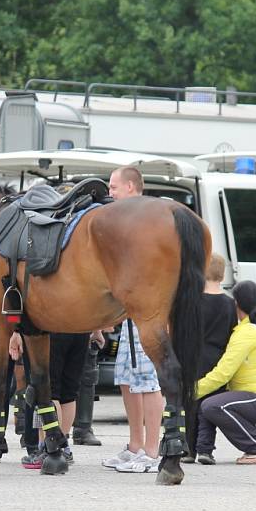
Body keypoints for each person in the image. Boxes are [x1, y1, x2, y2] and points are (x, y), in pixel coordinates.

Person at [102, 167, 163, 474]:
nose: (109, 192)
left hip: (149, 312)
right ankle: (135, 445)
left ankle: (153, 451)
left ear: (129, 186)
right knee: (128, 379)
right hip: (129, 313)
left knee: (148, 381)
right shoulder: (124, 220)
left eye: (113, 187)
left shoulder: (147, 218)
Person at [195, 280, 256, 464]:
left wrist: (191, 390)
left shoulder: (246, 333)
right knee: (210, 402)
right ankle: (203, 451)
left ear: (236, 304)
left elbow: (223, 373)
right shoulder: (254, 328)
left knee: (213, 406)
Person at [13, 330, 105, 468]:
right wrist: (97, 330)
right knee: (69, 394)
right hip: (81, 331)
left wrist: (17, 331)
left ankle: (49, 447)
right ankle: (64, 448)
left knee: (48, 392)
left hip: (51, 330)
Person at [182, 253, 237, 465]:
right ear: (222, 276)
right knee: (209, 406)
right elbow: (233, 334)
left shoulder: (192, 302)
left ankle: (188, 450)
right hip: (217, 359)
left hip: (193, 356)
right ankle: (206, 449)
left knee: (191, 402)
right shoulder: (229, 304)